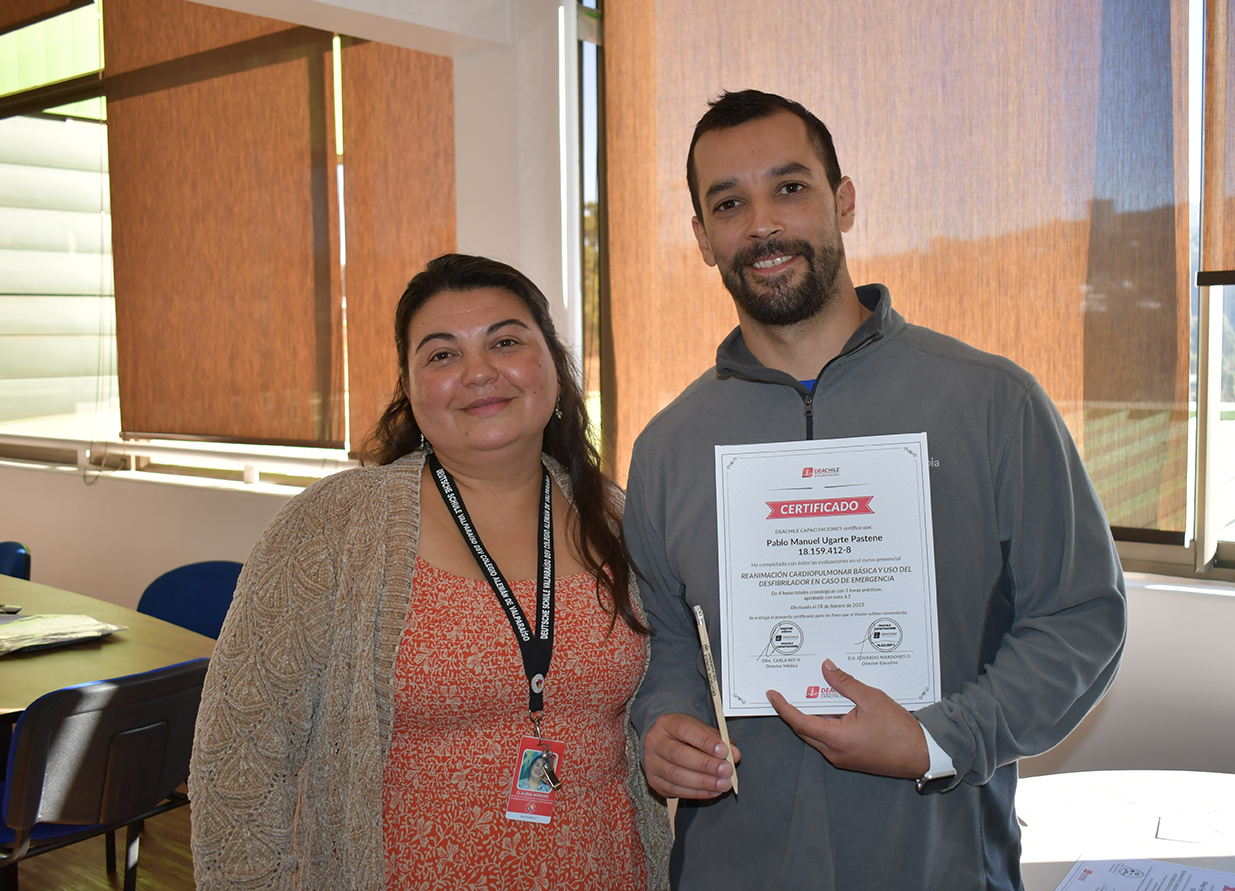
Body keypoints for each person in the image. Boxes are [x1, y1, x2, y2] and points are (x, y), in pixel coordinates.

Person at [625, 90, 1127, 889]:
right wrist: (666, 722)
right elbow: (669, 646)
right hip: (735, 867)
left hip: (938, 861)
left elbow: (1078, 619)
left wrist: (939, 739)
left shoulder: (992, 402)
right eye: (729, 203)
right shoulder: (668, 447)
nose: (762, 224)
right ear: (702, 238)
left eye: (790, 187)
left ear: (844, 201)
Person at [191, 253, 672, 891]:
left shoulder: (616, 517)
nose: (478, 372)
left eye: (505, 342)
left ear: (553, 363)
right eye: (443, 354)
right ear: (410, 387)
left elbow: (669, 692)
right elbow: (239, 758)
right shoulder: (331, 529)